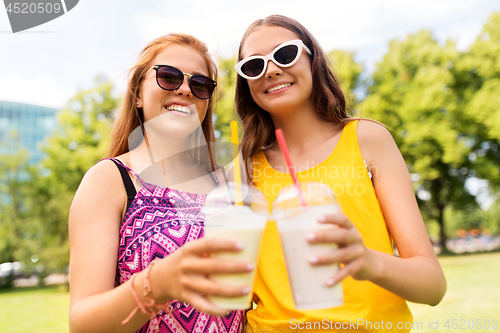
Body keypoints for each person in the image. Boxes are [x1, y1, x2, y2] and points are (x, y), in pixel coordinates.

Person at [234, 15, 447, 332]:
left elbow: (433, 286)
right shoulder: (240, 170)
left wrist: (369, 261)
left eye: (284, 54)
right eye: (253, 65)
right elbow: (236, 293)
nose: (272, 70)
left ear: (312, 58)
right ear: (247, 84)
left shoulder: (368, 140)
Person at [68, 33, 251, 333]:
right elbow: (83, 324)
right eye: (168, 76)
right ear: (138, 93)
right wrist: (158, 284)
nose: (185, 89)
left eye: (200, 84)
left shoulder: (228, 183)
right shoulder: (110, 179)